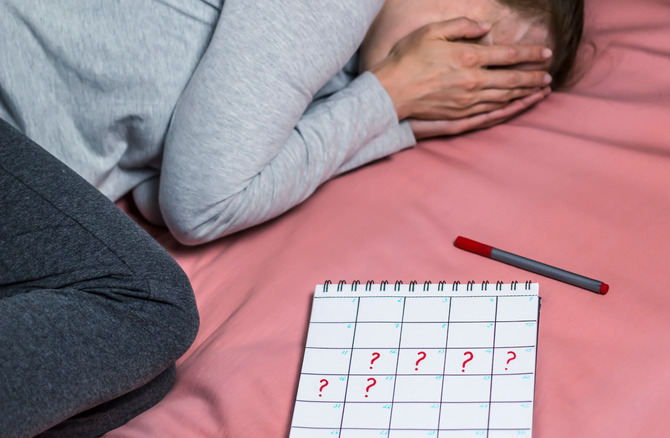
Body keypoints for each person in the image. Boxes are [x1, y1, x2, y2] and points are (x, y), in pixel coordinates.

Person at [0, 0, 583, 436]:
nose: (461, 81)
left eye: (492, 86)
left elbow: (168, 186)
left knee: (130, 384)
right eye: (475, 49)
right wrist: (389, 101)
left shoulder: (331, 79)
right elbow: (202, 205)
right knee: (148, 308)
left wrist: (384, 110)